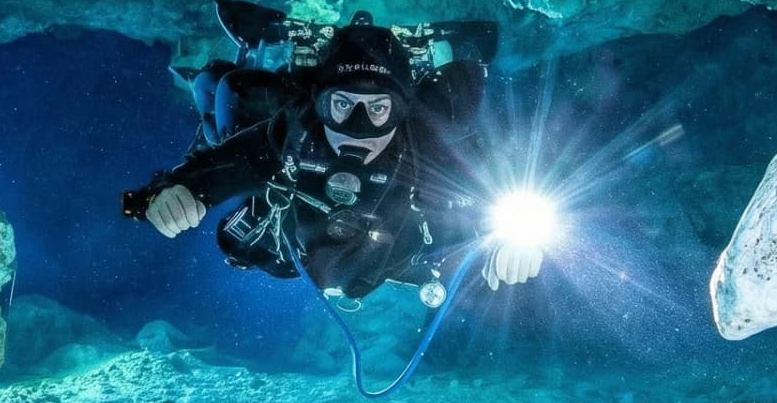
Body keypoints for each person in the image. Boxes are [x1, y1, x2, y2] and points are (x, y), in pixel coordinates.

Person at [126, 18, 544, 303]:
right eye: (342, 105)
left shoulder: (421, 145)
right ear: (320, 103)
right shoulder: (290, 136)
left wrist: (511, 242)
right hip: (320, 251)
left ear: (400, 112)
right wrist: (166, 194)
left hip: (388, 258)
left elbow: (495, 195)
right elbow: (208, 172)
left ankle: (434, 71)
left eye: (378, 109)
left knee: (456, 106)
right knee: (231, 105)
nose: (358, 129)